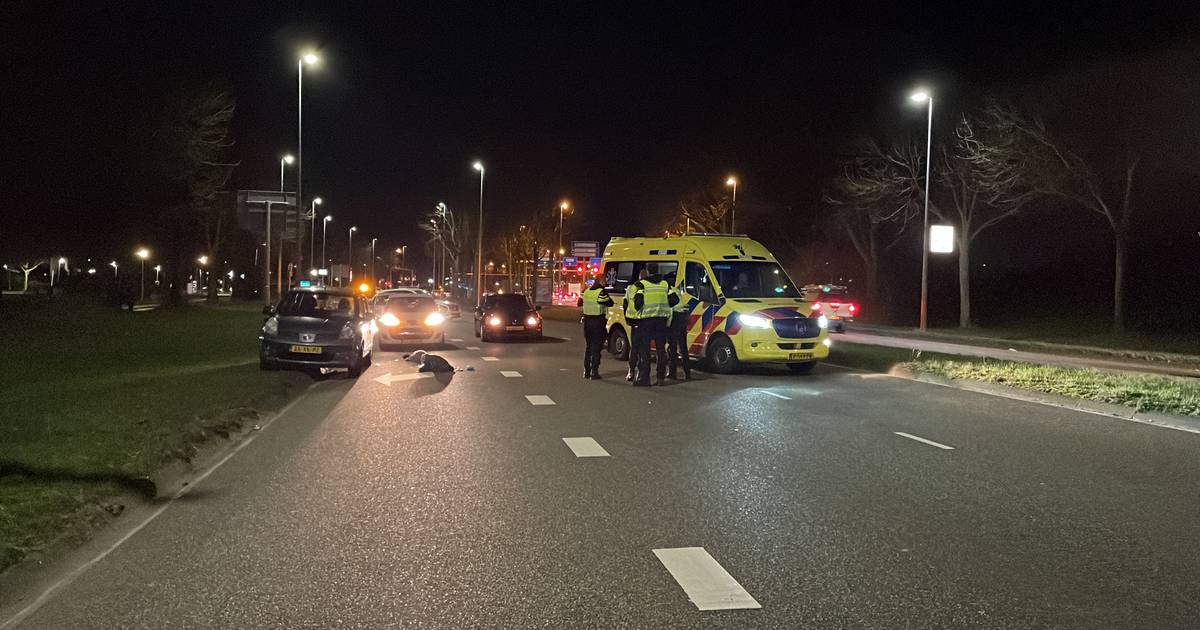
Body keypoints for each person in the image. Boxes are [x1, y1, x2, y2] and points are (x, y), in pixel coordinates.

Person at [629, 265, 678, 386]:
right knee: (661, 349)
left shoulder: (642, 285)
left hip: (646, 321)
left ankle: (644, 378)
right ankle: (660, 378)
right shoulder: (665, 284)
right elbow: (674, 300)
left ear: (648, 271)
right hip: (661, 321)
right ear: (658, 271)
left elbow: (638, 304)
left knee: (645, 350)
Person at [577, 277, 614, 379]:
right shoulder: (601, 292)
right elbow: (609, 303)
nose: (605, 283)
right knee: (596, 348)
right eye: (604, 281)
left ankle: (586, 371)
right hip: (598, 322)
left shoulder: (586, 291)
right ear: (600, 281)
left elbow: (579, 303)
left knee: (589, 346)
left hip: (587, 322)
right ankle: (594, 372)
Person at [666, 283, 693, 380]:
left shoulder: (668, 294)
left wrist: (667, 325)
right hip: (682, 319)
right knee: (683, 348)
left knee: (672, 348)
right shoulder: (675, 290)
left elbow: (670, 312)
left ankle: (672, 373)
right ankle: (687, 373)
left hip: (675, 320)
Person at [622, 274, 644, 382]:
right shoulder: (646, 287)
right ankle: (640, 373)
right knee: (643, 349)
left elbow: (625, 303)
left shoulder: (630, 288)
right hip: (644, 321)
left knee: (634, 348)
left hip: (634, 321)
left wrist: (627, 318)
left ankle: (631, 372)